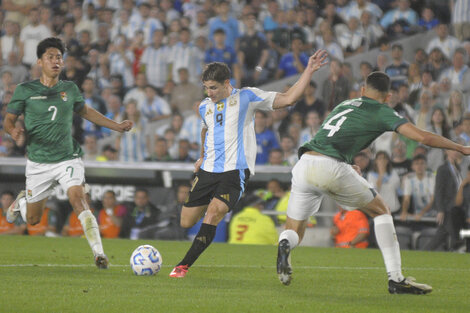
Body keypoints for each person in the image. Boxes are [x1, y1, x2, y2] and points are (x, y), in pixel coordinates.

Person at [277, 71, 470, 294]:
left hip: (304, 164)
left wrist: (347, 163)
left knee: (295, 230)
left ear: (362, 90)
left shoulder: (345, 104)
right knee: (381, 211)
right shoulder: (382, 111)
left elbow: (331, 139)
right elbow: (423, 137)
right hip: (330, 167)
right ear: (388, 97)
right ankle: (396, 279)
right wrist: (460, 148)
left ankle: (284, 244)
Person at [169, 50, 329, 278]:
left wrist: (309, 70)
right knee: (186, 221)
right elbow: (207, 129)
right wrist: (203, 155)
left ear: (227, 83)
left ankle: (182, 266)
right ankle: (210, 209)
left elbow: (288, 99)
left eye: (213, 87)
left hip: (234, 172)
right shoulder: (205, 106)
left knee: (213, 213)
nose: (209, 92)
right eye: (206, 87)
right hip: (207, 170)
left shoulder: (247, 97)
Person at [3, 37, 133, 269]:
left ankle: (99, 254)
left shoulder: (70, 89)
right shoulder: (25, 90)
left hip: (68, 158)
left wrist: (117, 125)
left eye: (59, 57)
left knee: (77, 197)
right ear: (39, 61)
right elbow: (8, 121)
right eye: (50, 57)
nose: (55, 61)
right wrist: (14, 132)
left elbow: (87, 112)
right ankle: (21, 201)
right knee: (32, 220)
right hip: (38, 163)